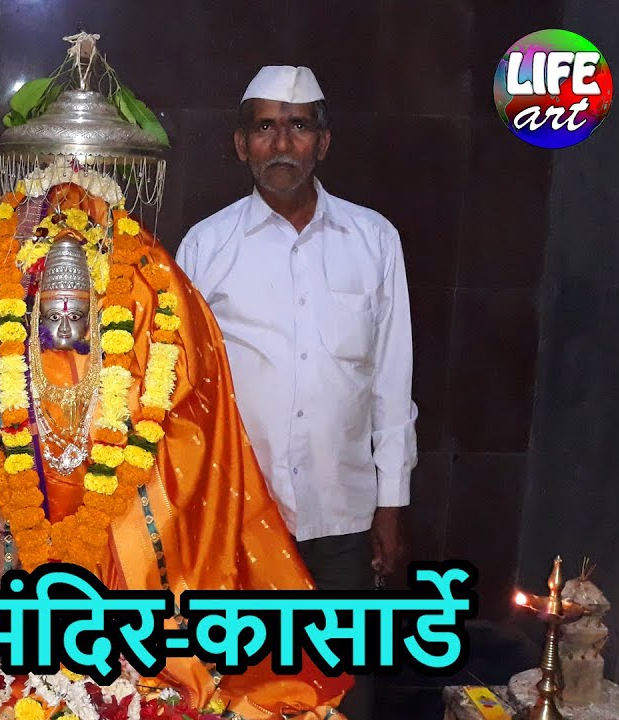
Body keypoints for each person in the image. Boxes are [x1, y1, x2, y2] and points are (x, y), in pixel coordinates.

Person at [0, 38, 352, 720]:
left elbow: (192, 414)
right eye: (54, 173)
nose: (67, 190)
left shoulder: (152, 276)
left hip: (125, 534)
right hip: (3, 526)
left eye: (84, 175)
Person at [176, 65, 419, 720]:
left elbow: (392, 384)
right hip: (237, 519)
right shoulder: (206, 246)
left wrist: (390, 506)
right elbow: (185, 397)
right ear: (240, 144)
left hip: (342, 520)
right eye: (265, 128)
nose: (282, 143)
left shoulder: (373, 242)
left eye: (298, 125)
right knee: (237, 693)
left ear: (323, 141)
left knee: (343, 691)